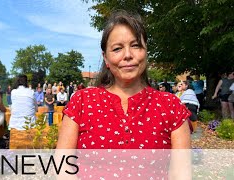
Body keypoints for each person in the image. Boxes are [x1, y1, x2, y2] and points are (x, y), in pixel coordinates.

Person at [57, 10, 191, 179]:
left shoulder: (170, 106)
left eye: (135, 45)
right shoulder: (82, 102)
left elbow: (181, 174)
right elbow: (64, 168)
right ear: (106, 58)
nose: (128, 55)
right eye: (117, 48)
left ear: (146, 51)